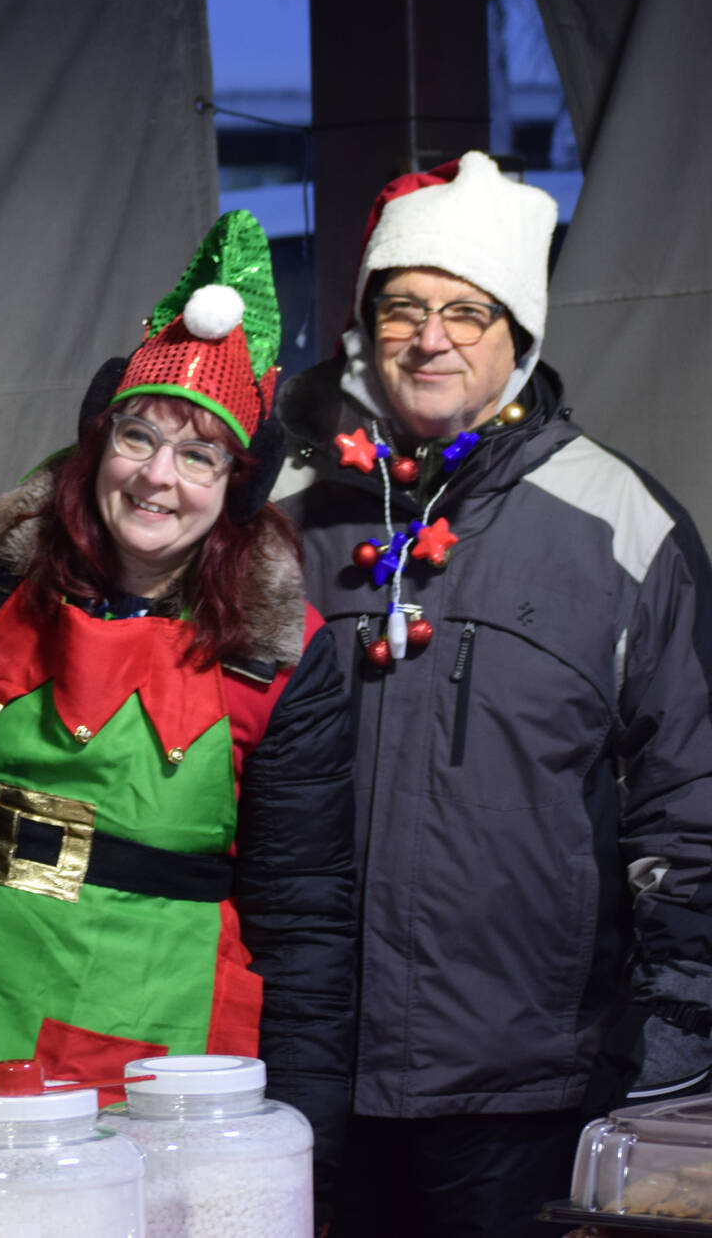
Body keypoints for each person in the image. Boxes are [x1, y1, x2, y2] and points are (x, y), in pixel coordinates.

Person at [271, 151, 712, 1236]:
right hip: (301, 1064)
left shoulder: (620, 525)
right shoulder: (280, 509)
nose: (432, 337)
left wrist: (674, 1048)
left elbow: (690, 804)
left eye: (468, 311)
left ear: (517, 335)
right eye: (405, 306)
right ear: (364, 322)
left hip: (527, 1073)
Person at [0, 211, 357, 1198]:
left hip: (175, 1038)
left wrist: (309, 1144)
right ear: (96, 443)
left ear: (235, 486)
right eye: (138, 435)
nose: (157, 475)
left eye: (198, 455)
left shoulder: (279, 656)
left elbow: (304, 915)